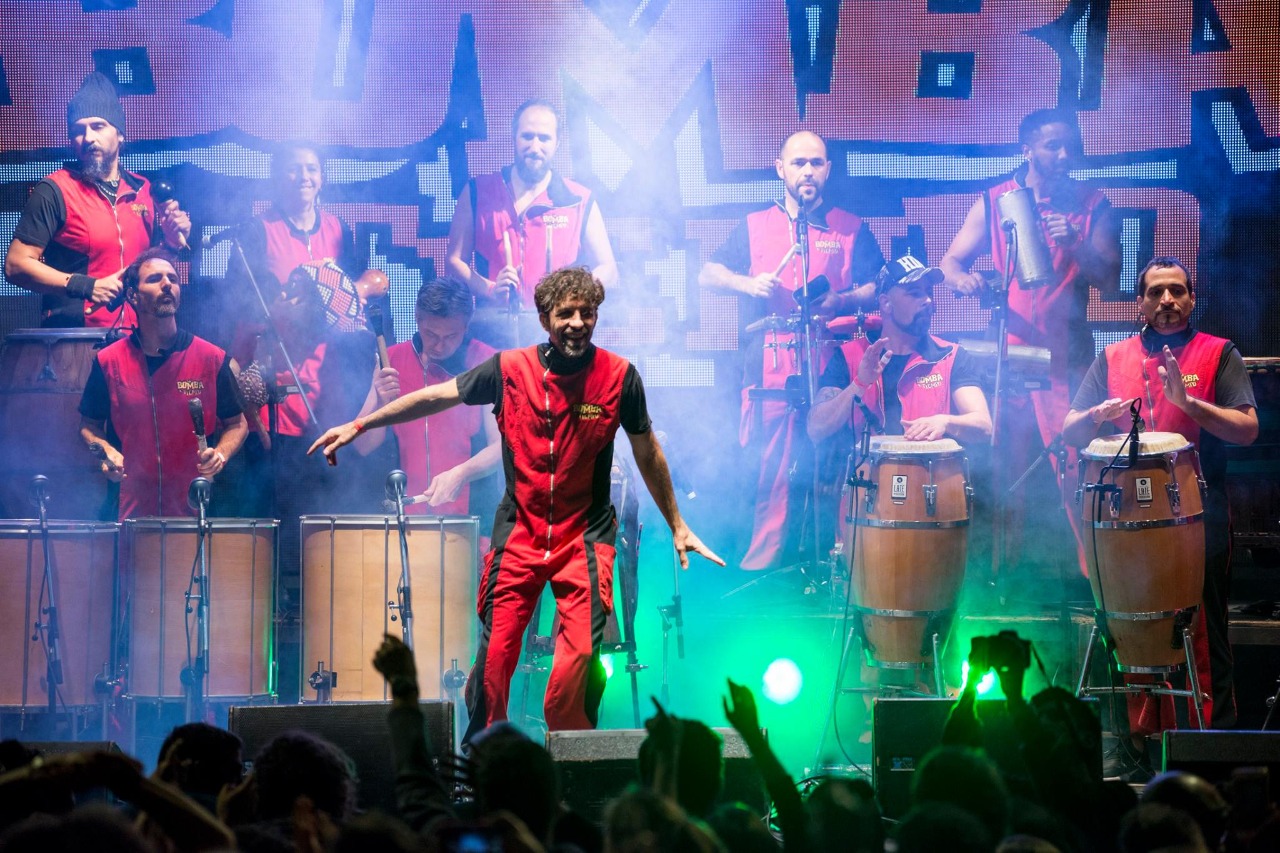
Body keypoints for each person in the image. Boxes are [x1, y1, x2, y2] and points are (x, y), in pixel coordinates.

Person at [310, 267, 723, 741]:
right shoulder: (509, 369)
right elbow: (434, 396)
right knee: (493, 664)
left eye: (586, 313)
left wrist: (677, 522)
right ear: (545, 318)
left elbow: (647, 450)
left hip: (586, 540)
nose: (576, 322)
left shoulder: (619, 377)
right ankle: (485, 771)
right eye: (565, 313)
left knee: (578, 668)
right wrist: (360, 426)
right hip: (520, 535)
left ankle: (567, 768)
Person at [1063, 256, 1258, 731]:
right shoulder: (1112, 358)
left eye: (1177, 291)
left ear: (1192, 299)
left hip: (1197, 516)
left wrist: (1189, 405)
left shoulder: (1219, 353)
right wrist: (1096, 417)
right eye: (1156, 292)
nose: (1167, 300)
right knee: (1130, 626)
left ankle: (1210, 741)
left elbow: (1247, 429)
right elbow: (1069, 428)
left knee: (1201, 628)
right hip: (1122, 522)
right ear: (1140, 304)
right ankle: (1137, 743)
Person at [941, 108, 1121, 578]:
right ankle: (1001, 576)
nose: (1063, 156)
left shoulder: (1091, 203)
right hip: (1010, 355)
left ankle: (1096, 576)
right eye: (1051, 146)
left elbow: (1112, 279)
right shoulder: (999, 199)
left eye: (1069, 146)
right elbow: (951, 262)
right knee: (1005, 468)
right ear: (1028, 148)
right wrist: (965, 280)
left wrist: (1078, 243)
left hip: (1068, 357)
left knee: (1075, 464)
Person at [699, 129, 885, 570]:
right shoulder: (754, 224)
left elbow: (879, 287)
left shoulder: (849, 227)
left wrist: (842, 300)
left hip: (831, 359)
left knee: (837, 462)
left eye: (816, 163)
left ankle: (838, 563)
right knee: (773, 466)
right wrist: (746, 282)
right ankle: (764, 566)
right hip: (772, 360)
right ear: (780, 169)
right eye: (799, 162)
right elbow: (706, 273)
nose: (808, 171)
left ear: (828, 171)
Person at [4, 72, 190, 329]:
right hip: (74, 340)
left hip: (137, 339)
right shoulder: (55, 189)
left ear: (120, 134)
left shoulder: (144, 190)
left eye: (98, 126)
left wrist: (170, 242)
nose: (89, 138)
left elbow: (150, 268)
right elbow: (16, 264)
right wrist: (87, 286)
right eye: (78, 131)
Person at [78, 248, 246, 520]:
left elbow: (238, 424)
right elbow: (88, 426)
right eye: (155, 278)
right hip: (129, 512)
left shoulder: (211, 358)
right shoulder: (109, 362)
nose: (167, 283)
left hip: (196, 509)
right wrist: (105, 451)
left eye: (173, 278)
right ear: (133, 295)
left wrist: (221, 455)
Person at [446, 98, 618, 316]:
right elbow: (453, 261)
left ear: (556, 143)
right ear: (514, 137)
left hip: (557, 333)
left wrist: (575, 294)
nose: (535, 147)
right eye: (527, 136)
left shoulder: (578, 199)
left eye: (544, 138)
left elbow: (610, 271)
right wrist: (489, 289)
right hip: (495, 331)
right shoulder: (477, 191)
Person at [808, 255, 992, 447]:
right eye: (914, 293)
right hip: (865, 475)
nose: (927, 300)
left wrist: (944, 422)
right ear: (886, 303)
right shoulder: (848, 356)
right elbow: (816, 429)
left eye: (928, 291)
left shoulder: (950, 356)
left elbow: (984, 426)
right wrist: (859, 383)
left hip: (933, 476)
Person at [353, 277, 499, 516]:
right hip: (408, 515)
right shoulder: (391, 360)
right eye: (431, 334)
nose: (440, 346)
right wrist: (379, 401)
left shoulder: (486, 362)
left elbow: (500, 448)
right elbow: (363, 446)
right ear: (417, 318)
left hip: (472, 517)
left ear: (466, 325)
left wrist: (461, 474)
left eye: (451, 336)